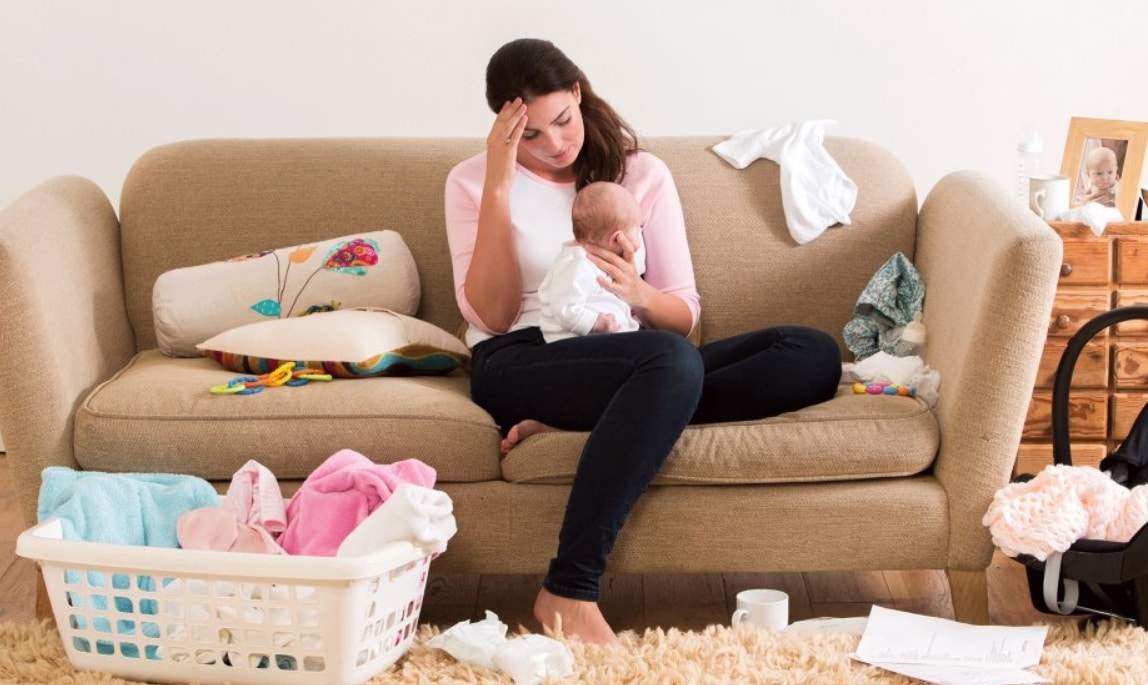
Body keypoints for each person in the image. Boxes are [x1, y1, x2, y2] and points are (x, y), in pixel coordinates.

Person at [444, 38, 842, 645]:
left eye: (563, 121)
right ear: (503, 129)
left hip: (629, 352)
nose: (554, 144)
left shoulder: (641, 174)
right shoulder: (470, 182)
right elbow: (493, 317)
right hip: (519, 359)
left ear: (578, 93)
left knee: (810, 353)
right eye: (531, 136)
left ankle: (602, 417)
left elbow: (683, 317)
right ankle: (568, 590)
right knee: (670, 365)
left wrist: (637, 292)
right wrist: (500, 184)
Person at [538, 181, 646, 343]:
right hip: (575, 343)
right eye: (637, 229)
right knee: (669, 349)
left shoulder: (600, 262)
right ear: (616, 239)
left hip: (607, 338)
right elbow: (565, 308)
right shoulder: (577, 264)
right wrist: (596, 322)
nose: (639, 233)